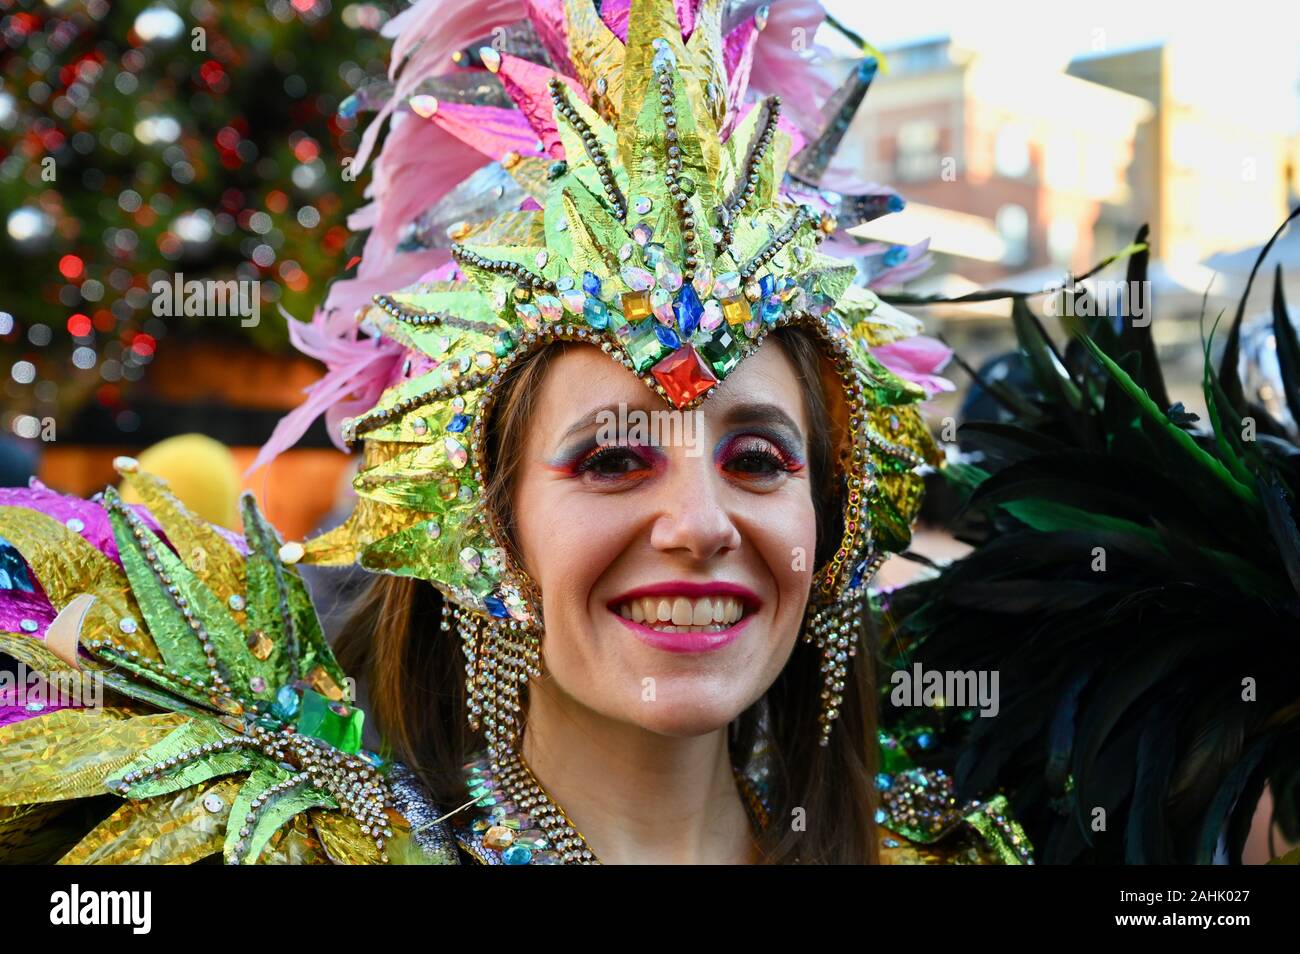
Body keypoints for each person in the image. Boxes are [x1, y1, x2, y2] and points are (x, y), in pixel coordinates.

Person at [0, 0, 1030, 864]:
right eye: (613, 458)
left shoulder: (957, 845)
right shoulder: (290, 847)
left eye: (757, 458)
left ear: (834, 514)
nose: (698, 524)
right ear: (483, 519)